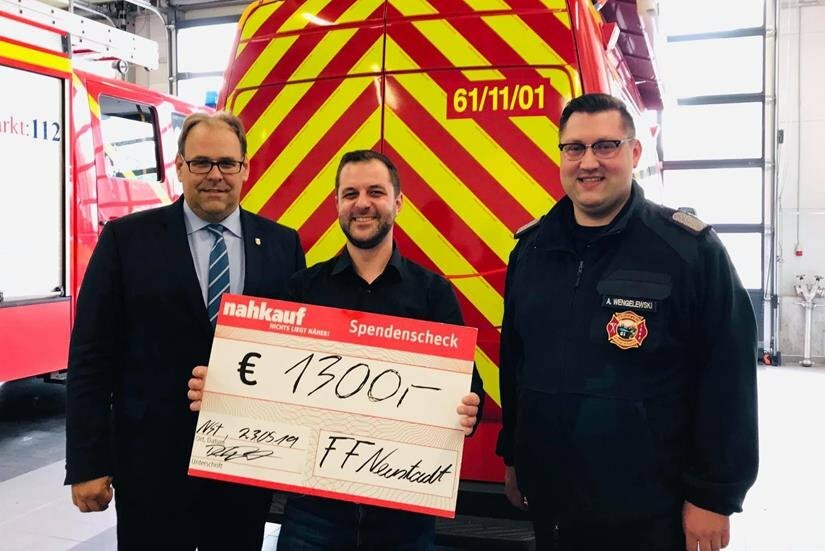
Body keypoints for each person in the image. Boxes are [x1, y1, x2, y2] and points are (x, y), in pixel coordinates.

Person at [496, 93, 758, 551]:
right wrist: (514, 456)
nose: (588, 162)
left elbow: (728, 379)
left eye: (606, 146)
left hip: (649, 512)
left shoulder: (689, 252)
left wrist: (714, 495)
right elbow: (516, 363)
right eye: (574, 148)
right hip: (552, 506)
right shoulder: (531, 251)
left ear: (634, 153)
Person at [188, 149, 484, 550]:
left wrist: (469, 409)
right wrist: (223, 392)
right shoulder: (302, 290)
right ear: (337, 205)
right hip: (314, 516)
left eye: (375, 192)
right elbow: (266, 384)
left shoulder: (433, 293)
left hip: (403, 518)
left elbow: (471, 391)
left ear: (398, 202)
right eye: (350, 194)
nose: (362, 203)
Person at [65, 112, 306, 551]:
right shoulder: (126, 239)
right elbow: (90, 358)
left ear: (245, 168)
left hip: (242, 466)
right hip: (149, 468)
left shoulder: (282, 245)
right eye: (201, 163)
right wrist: (87, 462)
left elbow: (294, 356)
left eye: (227, 163)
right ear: (179, 166)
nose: (215, 175)